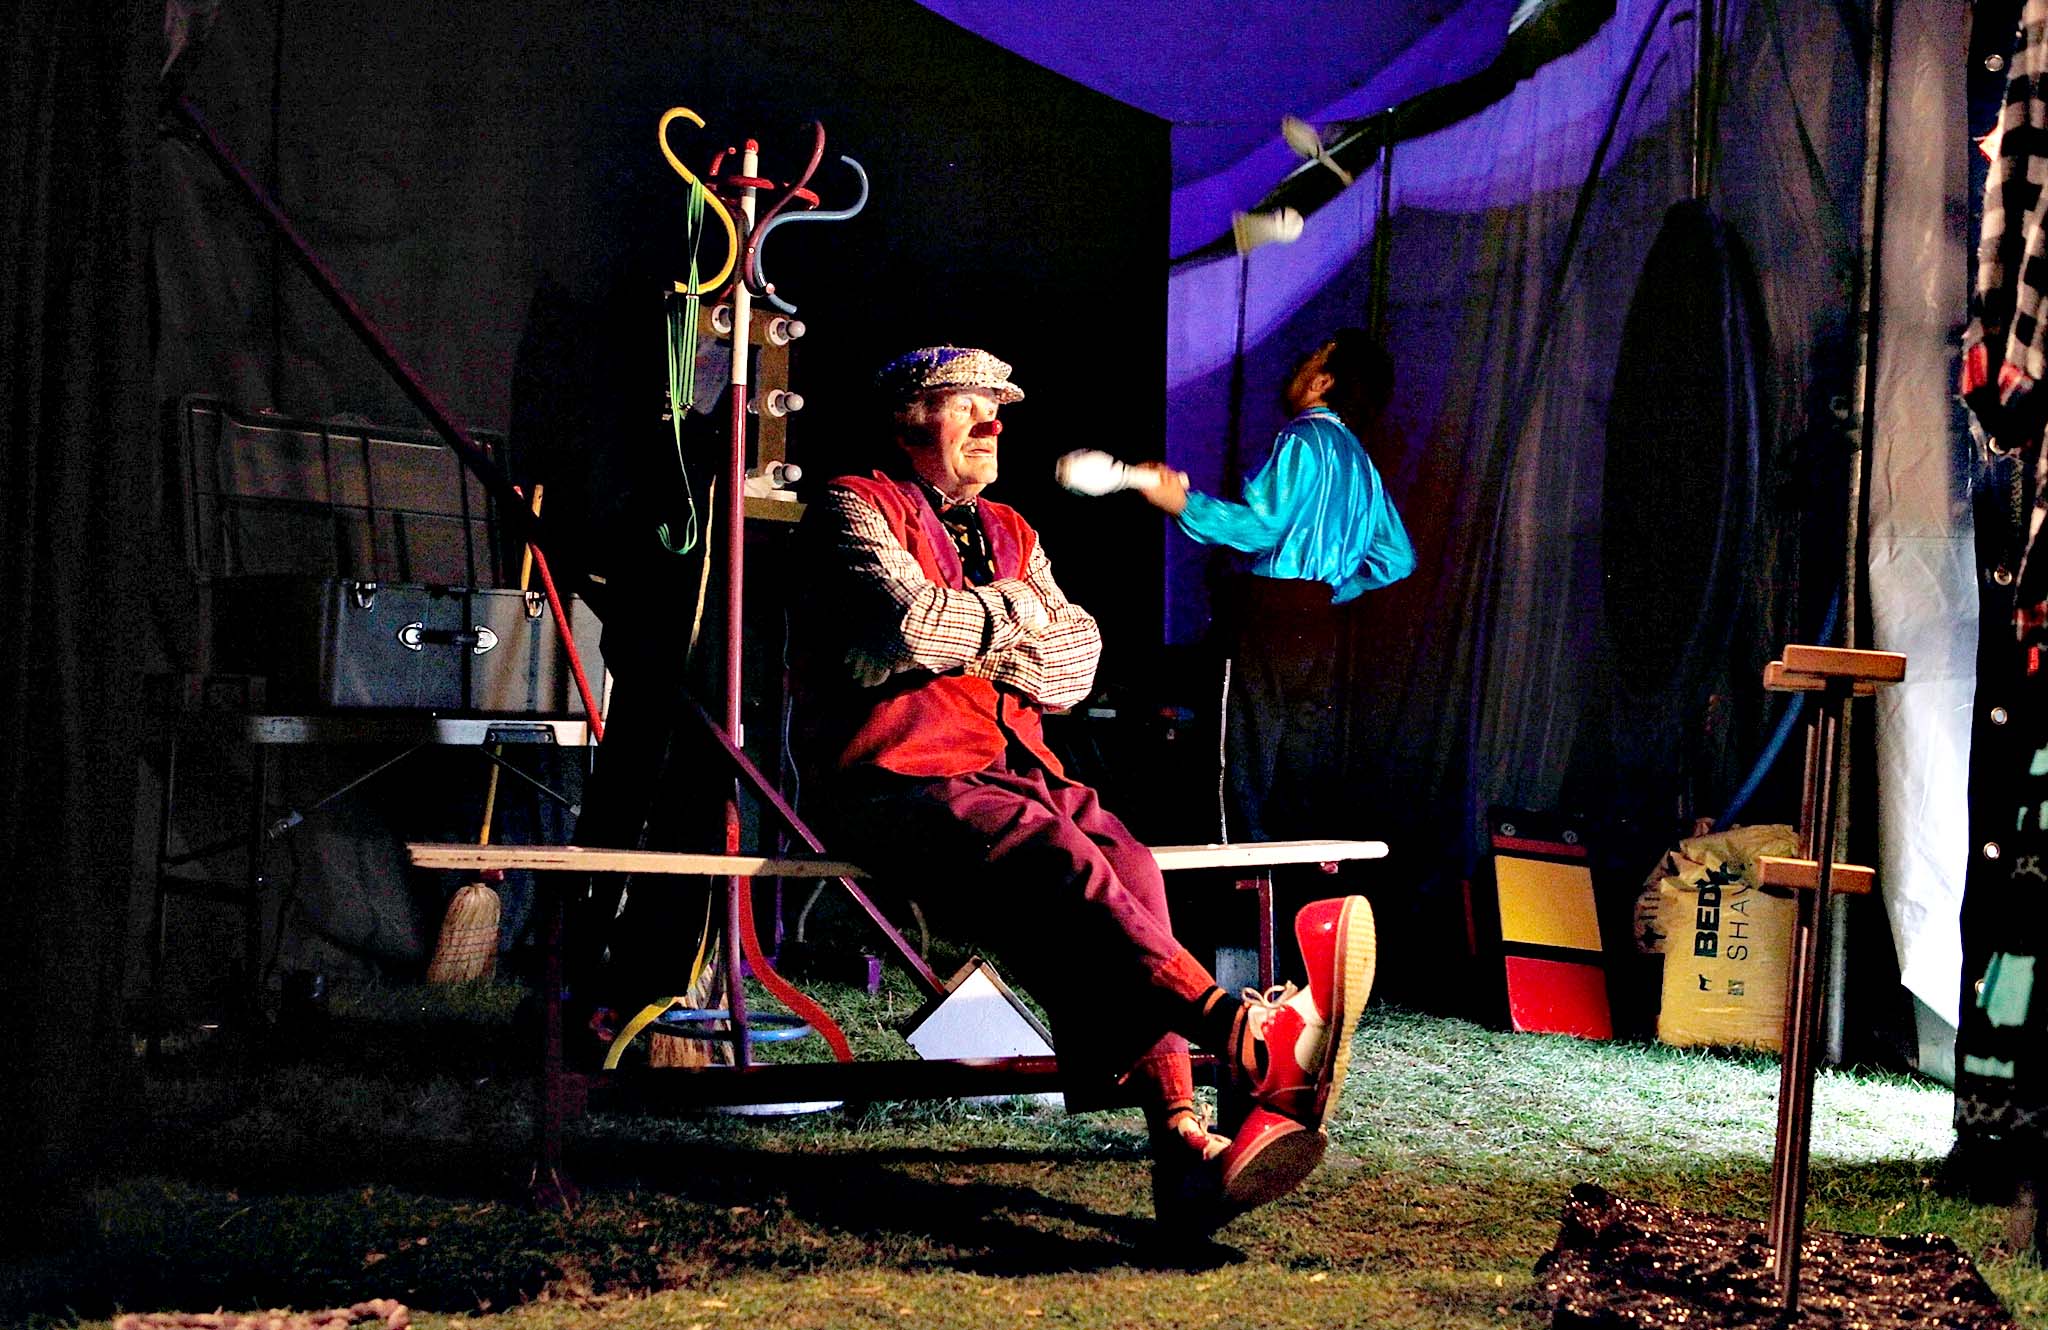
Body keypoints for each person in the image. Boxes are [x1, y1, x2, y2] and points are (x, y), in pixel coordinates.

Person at [798, 344, 1377, 1235]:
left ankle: (1183, 1142)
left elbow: (1074, 666)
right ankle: (1244, 1035)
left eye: (999, 407)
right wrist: (1018, 620)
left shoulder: (1013, 530)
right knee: (1060, 860)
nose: (994, 422)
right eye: (968, 404)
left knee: (1129, 865)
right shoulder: (852, 504)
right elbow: (909, 626)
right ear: (911, 417)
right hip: (895, 776)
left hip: (1018, 770)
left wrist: (978, 634)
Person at [1132, 329, 1416, 844]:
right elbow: (1396, 557)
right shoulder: (1360, 462)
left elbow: (1263, 527)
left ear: (1322, 381)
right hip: (1320, 623)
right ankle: (1289, 884)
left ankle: (1236, 880)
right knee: (1294, 766)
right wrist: (1329, 589)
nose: (1298, 365)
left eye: (1311, 358)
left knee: (1237, 760)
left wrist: (1180, 503)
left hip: (1269, 616)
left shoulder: (1303, 437)